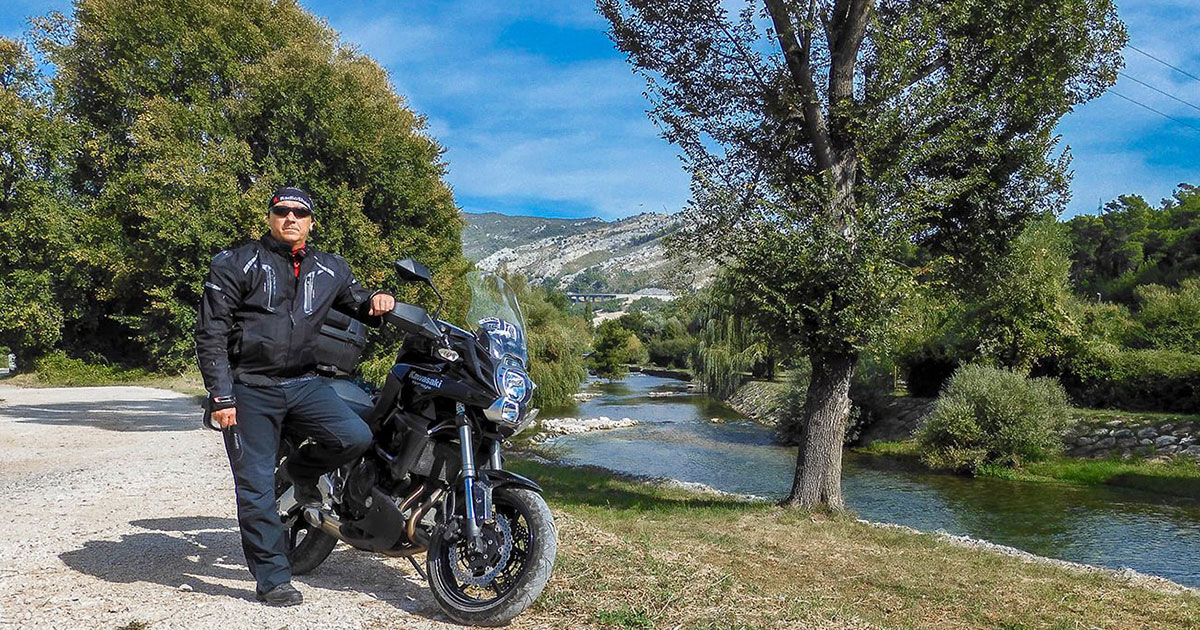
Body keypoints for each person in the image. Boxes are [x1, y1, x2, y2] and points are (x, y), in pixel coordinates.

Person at [194, 186, 396, 606]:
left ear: (311, 222)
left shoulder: (330, 268)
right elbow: (211, 333)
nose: (291, 218)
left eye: (299, 213)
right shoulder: (236, 263)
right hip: (249, 386)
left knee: (356, 437)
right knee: (255, 489)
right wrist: (222, 396)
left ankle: (300, 470)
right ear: (270, 217)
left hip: (304, 384)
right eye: (282, 211)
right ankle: (273, 578)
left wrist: (377, 300)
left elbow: (357, 301)